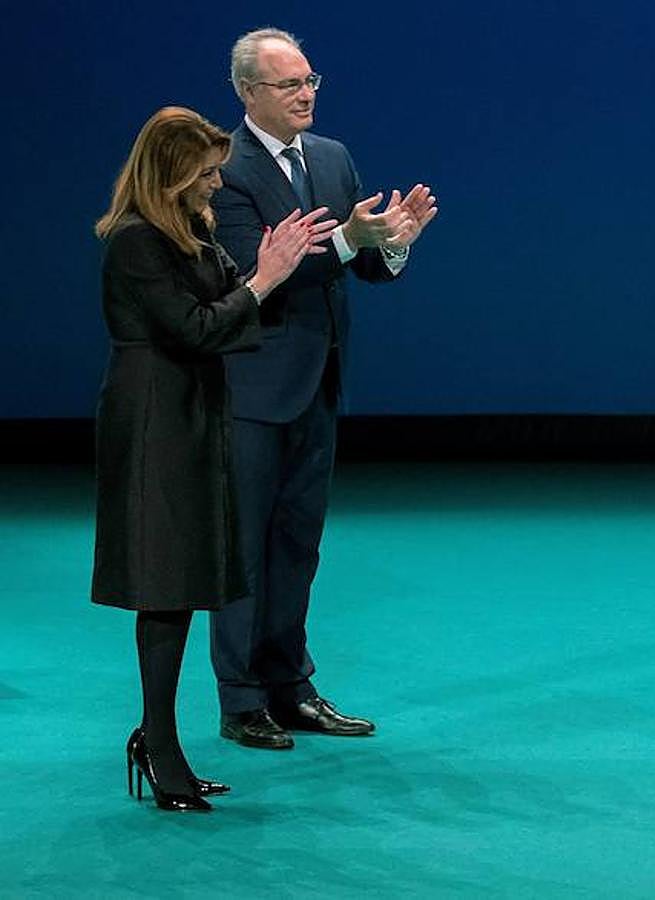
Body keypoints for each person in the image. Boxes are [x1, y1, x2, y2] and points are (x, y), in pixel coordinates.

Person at [92, 106, 335, 810]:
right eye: (204, 174)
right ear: (170, 175)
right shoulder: (136, 241)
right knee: (163, 582)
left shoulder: (190, 231)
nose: (215, 185)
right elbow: (201, 325)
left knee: (185, 579)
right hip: (153, 421)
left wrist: (268, 274)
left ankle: (159, 740)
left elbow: (232, 301)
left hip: (194, 413)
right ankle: (159, 743)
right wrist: (264, 281)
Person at [209, 28, 438, 749]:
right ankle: (241, 698)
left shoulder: (332, 157)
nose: (306, 94)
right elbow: (255, 272)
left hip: (319, 383)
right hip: (251, 385)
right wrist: (349, 241)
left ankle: (290, 687)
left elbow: (360, 266)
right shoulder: (226, 168)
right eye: (288, 85)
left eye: (311, 81)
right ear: (249, 93)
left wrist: (394, 240)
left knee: (299, 543)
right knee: (242, 548)